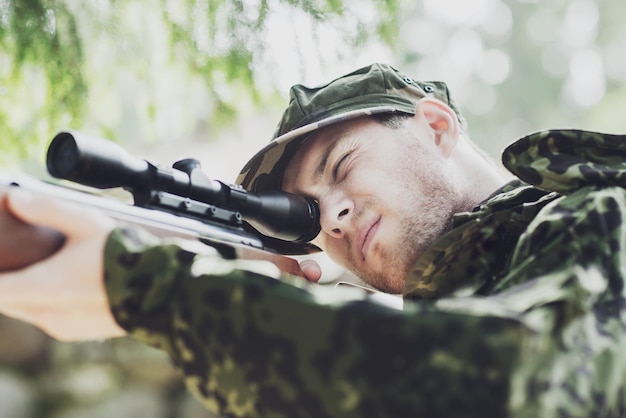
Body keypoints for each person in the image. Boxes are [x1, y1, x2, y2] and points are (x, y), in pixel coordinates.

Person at [1, 62, 625, 417]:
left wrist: (160, 296)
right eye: (307, 212)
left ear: (434, 125)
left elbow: (529, 386)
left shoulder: (597, 210)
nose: (333, 218)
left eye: (345, 165)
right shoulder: (448, 308)